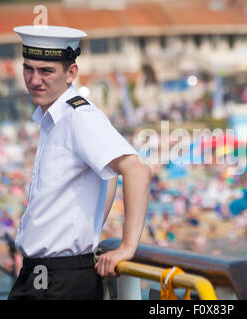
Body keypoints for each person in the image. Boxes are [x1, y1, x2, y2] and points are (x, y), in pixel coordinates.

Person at [8, 25, 152, 300]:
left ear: (71, 73)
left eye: (46, 71)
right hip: (42, 276)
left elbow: (137, 169)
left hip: (61, 281)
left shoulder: (78, 116)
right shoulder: (54, 116)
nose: (34, 79)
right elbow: (108, 174)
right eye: (29, 69)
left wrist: (127, 246)